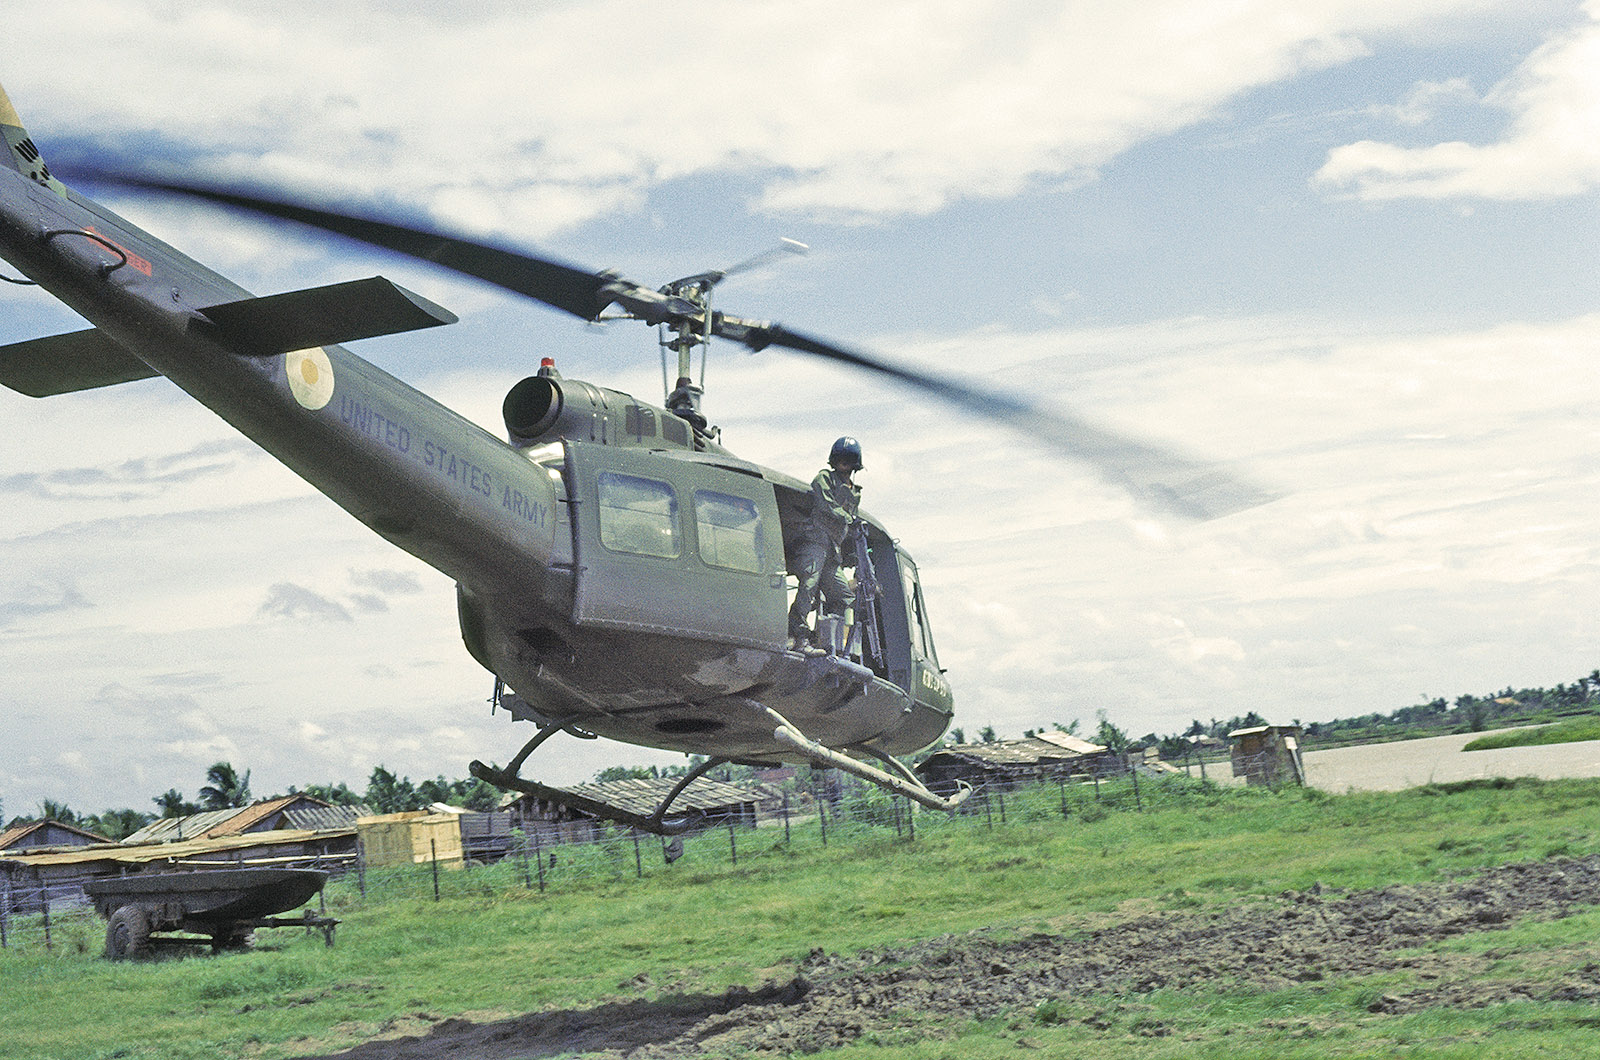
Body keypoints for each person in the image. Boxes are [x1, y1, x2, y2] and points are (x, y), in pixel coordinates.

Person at [788, 437, 864, 651]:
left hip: (834, 549)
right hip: (816, 540)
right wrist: (849, 519)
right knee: (809, 584)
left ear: (855, 463)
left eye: (848, 460)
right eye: (840, 458)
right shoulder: (824, 478)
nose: (843, 463)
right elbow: (826, 504)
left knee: (845, 596)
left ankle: (828, 639)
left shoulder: (855, 491)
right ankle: (798, 635)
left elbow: (848, 521)